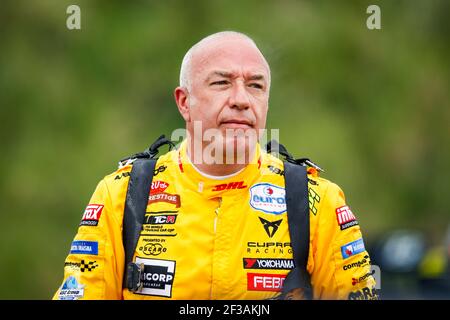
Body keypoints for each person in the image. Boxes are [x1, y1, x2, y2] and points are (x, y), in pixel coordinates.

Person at [53, 31, 378, 300]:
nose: (241, 99)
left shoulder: (315, 200)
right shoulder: (121, 195)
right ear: (184, 101)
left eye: (255, 85)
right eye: (222, 83)